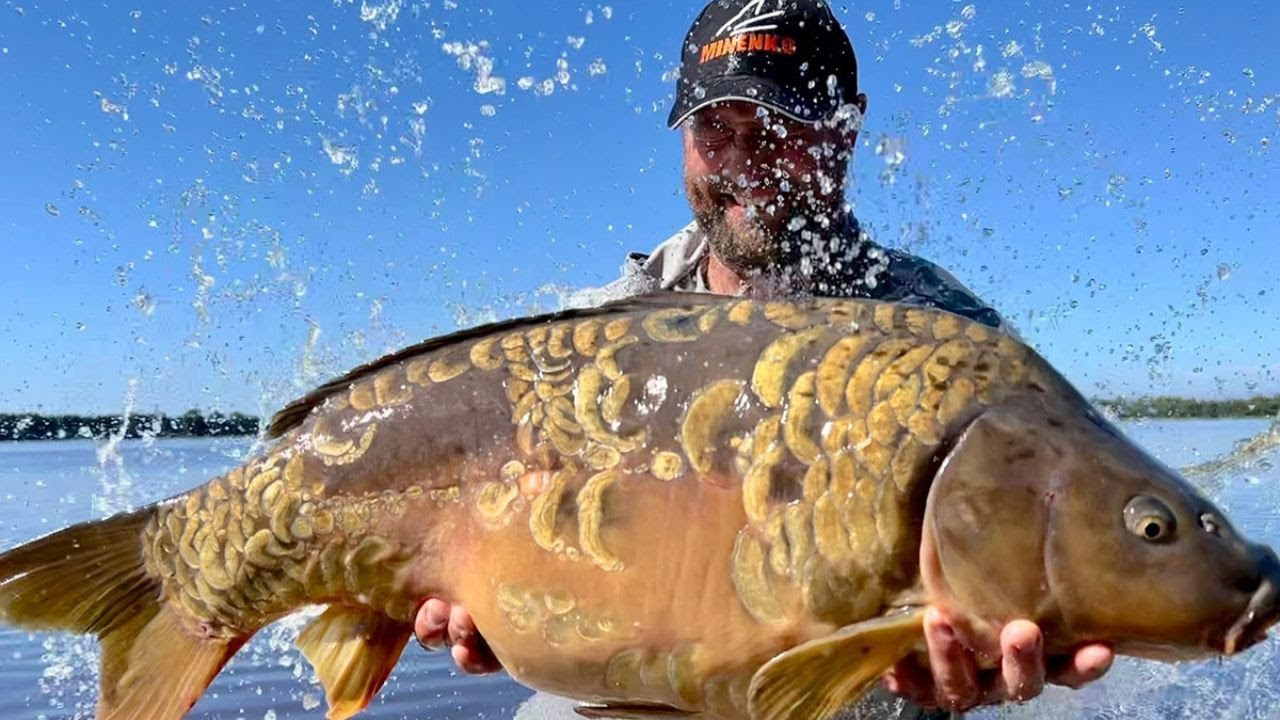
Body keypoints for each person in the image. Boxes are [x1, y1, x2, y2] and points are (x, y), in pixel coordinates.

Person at [413, 0, 1114, 716]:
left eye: (780, 124)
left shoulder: (947, 339)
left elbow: (1050, 543)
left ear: (846, 130)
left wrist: (1022, 637)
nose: (746, 158)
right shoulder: (597, 335)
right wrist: (488, 592)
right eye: (716, 126)